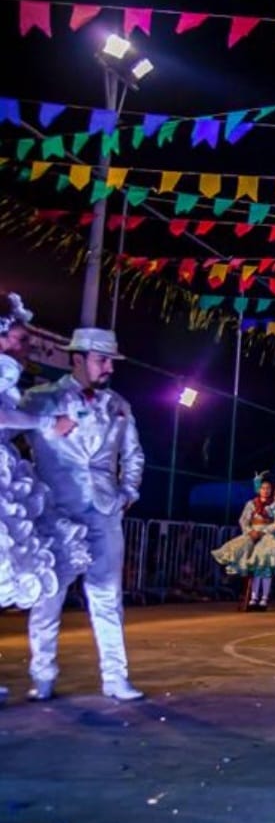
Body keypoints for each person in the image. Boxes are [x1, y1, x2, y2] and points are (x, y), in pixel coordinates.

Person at [21, 327, 144, 701]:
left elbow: (134, 455)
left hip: (104, 511)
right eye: (102, 359)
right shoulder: (41, 399)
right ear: (77, 359)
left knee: (107, 596)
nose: (109, 367)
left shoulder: (119, 405)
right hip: (55, 512)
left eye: (111, 361)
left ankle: (115, 677)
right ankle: (43, 675)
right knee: (49, 597)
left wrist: (128, 492)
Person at [0, 294, 87, 706]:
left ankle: (44, 670)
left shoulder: (11, 374)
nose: (27, 345)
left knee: (45, 561)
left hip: (9, 471)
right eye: (20, 338)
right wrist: (47, 422)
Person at [211, 472, 275, 611]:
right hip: (253, 534)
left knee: (265, 566)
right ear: (259, 489)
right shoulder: (251, 504)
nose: (265, 491)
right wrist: (249, 531)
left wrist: (263, 531)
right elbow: (243, 520)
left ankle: (264, 599)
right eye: (263, 488)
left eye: (268, 488)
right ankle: (253, 598)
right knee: (252, 566)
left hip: (268, 536)